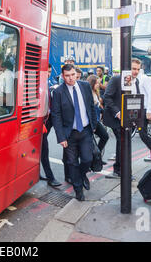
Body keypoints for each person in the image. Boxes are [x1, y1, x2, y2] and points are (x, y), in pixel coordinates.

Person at [51, 64, 97, 201]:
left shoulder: (85, 86)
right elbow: (56, 115)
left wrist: (94, 125)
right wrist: (61, 137)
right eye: (67, 76)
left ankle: (82, 175)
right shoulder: (58, 92)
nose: (71, 78)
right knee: (71, 162)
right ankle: (78, 189)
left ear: (76, 73)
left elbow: (90, 107)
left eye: (72, 75)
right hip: (69, 133)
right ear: (62, 76)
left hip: (85, 130)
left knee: (87, 159)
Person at [40, 64, 61, 187]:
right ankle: (50, 177)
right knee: (44, 149)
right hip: (40, 122)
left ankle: (37, 172)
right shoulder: (37, 84)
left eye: (49, 72)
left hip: (48, 119)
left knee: (40, 149)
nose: (48, 74)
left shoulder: (47, 83)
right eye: (45, 71)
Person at [87, 75, 109, 157]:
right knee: (90, 142)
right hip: (92, 121)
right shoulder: (88, 94)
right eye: (96, 83)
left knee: (105, 136)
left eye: (98, 83)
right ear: (91, 83)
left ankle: (97, 157)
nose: (98, 85)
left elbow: (99, 106)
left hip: (97, 120)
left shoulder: (96, 92)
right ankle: (94, 158)